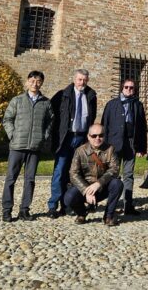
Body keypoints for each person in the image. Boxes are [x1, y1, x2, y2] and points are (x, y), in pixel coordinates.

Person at [1, 71, 54, 222]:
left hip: (34, 148)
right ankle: (7, 210)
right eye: (32, 80)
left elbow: (50, 121)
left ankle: (24, 210)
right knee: (11, 179)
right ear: (27, 82)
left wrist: (44, 136)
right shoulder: (17, 100)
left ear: (41, 83)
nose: (35, 84)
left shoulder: (46, 103)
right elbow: (7, 119)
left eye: (38, 81)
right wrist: (13, 135)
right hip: (17, 146)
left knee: (29, 180)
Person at [47, 68, 97, 218]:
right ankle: (53, 205)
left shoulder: (91, 95)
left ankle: (69, 204)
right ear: (74, 79)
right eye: (80, 79)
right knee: (60, 171)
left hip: (81, 138)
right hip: (66, 138)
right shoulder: (62, 94)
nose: (82, 82)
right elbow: (51, 115)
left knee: (76, 172)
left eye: (85, 80)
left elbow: (92, 117)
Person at [102, 78, 148, 216]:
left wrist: (141, 147)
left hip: (131, 143)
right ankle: (112, 205)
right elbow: (105, 124)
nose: (129, 89)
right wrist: (104, 146)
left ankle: (128, 205)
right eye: (127, 87)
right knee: (112, 175)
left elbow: (142, 127)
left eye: (132, 88)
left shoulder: (138, 105)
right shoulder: (111, 104)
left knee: (128, 175)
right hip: (114, 144)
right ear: (122, 88)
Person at [64, 124, 123, 226]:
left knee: (117, 184)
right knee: (68, 198)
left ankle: (108, 216)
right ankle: (82, 213)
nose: (97, 138)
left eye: (101, 135)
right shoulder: (80, 151)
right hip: (85, 188)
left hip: (102, 187)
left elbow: (115, 169)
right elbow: (73, 174)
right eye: (94, 136)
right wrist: (86, 190)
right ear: (88, 136)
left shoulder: (110, 149)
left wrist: (99, 183)